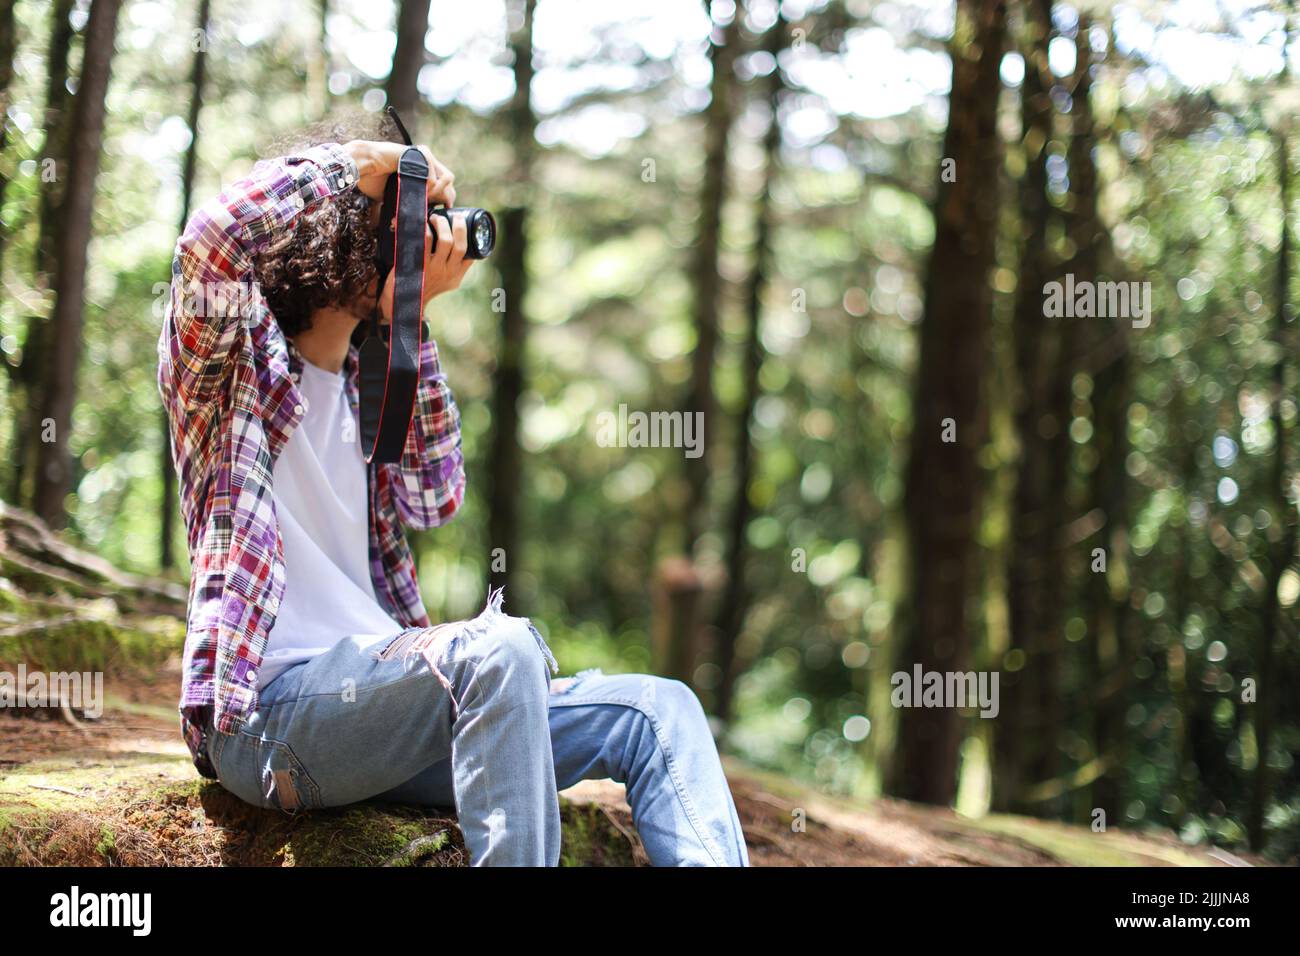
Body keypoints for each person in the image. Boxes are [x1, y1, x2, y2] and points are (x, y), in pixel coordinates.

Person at [156, 113, 749, 866]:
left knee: (659, 710)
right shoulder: (235, 369)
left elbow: (435, 497)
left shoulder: (376, 382)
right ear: (335, 230)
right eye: (406, 222)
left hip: (385, 716)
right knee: (498, 649)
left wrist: (410, 317)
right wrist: (355, 166)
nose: (431, 237)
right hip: (268, 720)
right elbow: (209, 243)